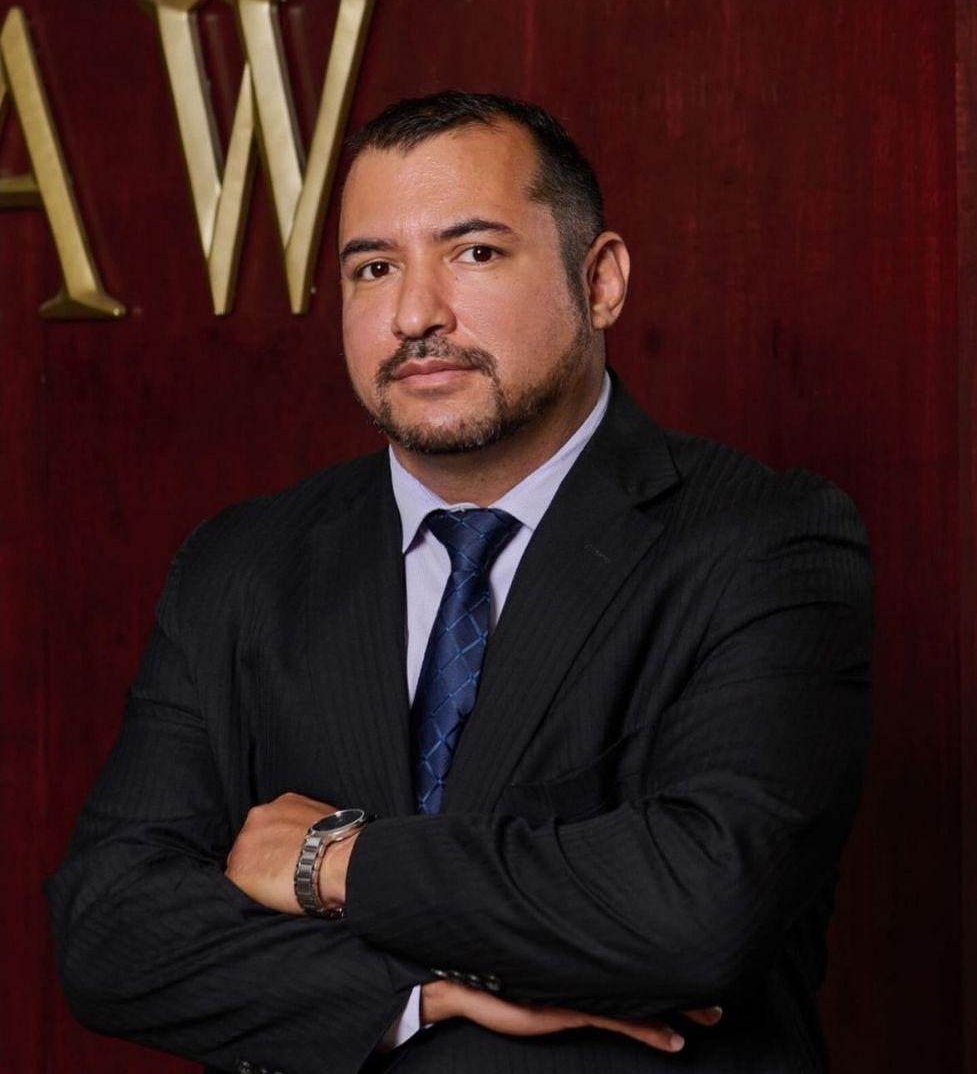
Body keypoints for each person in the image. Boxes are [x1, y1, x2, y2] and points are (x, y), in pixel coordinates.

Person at [45, 91, 873, 1074]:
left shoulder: (760, 540)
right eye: (372, 267)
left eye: (473, 253)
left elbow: (700, 903)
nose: (413, 313)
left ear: (599, 280)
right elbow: (109, 925)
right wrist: (415, 995)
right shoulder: (243, 564)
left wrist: (330, 863)